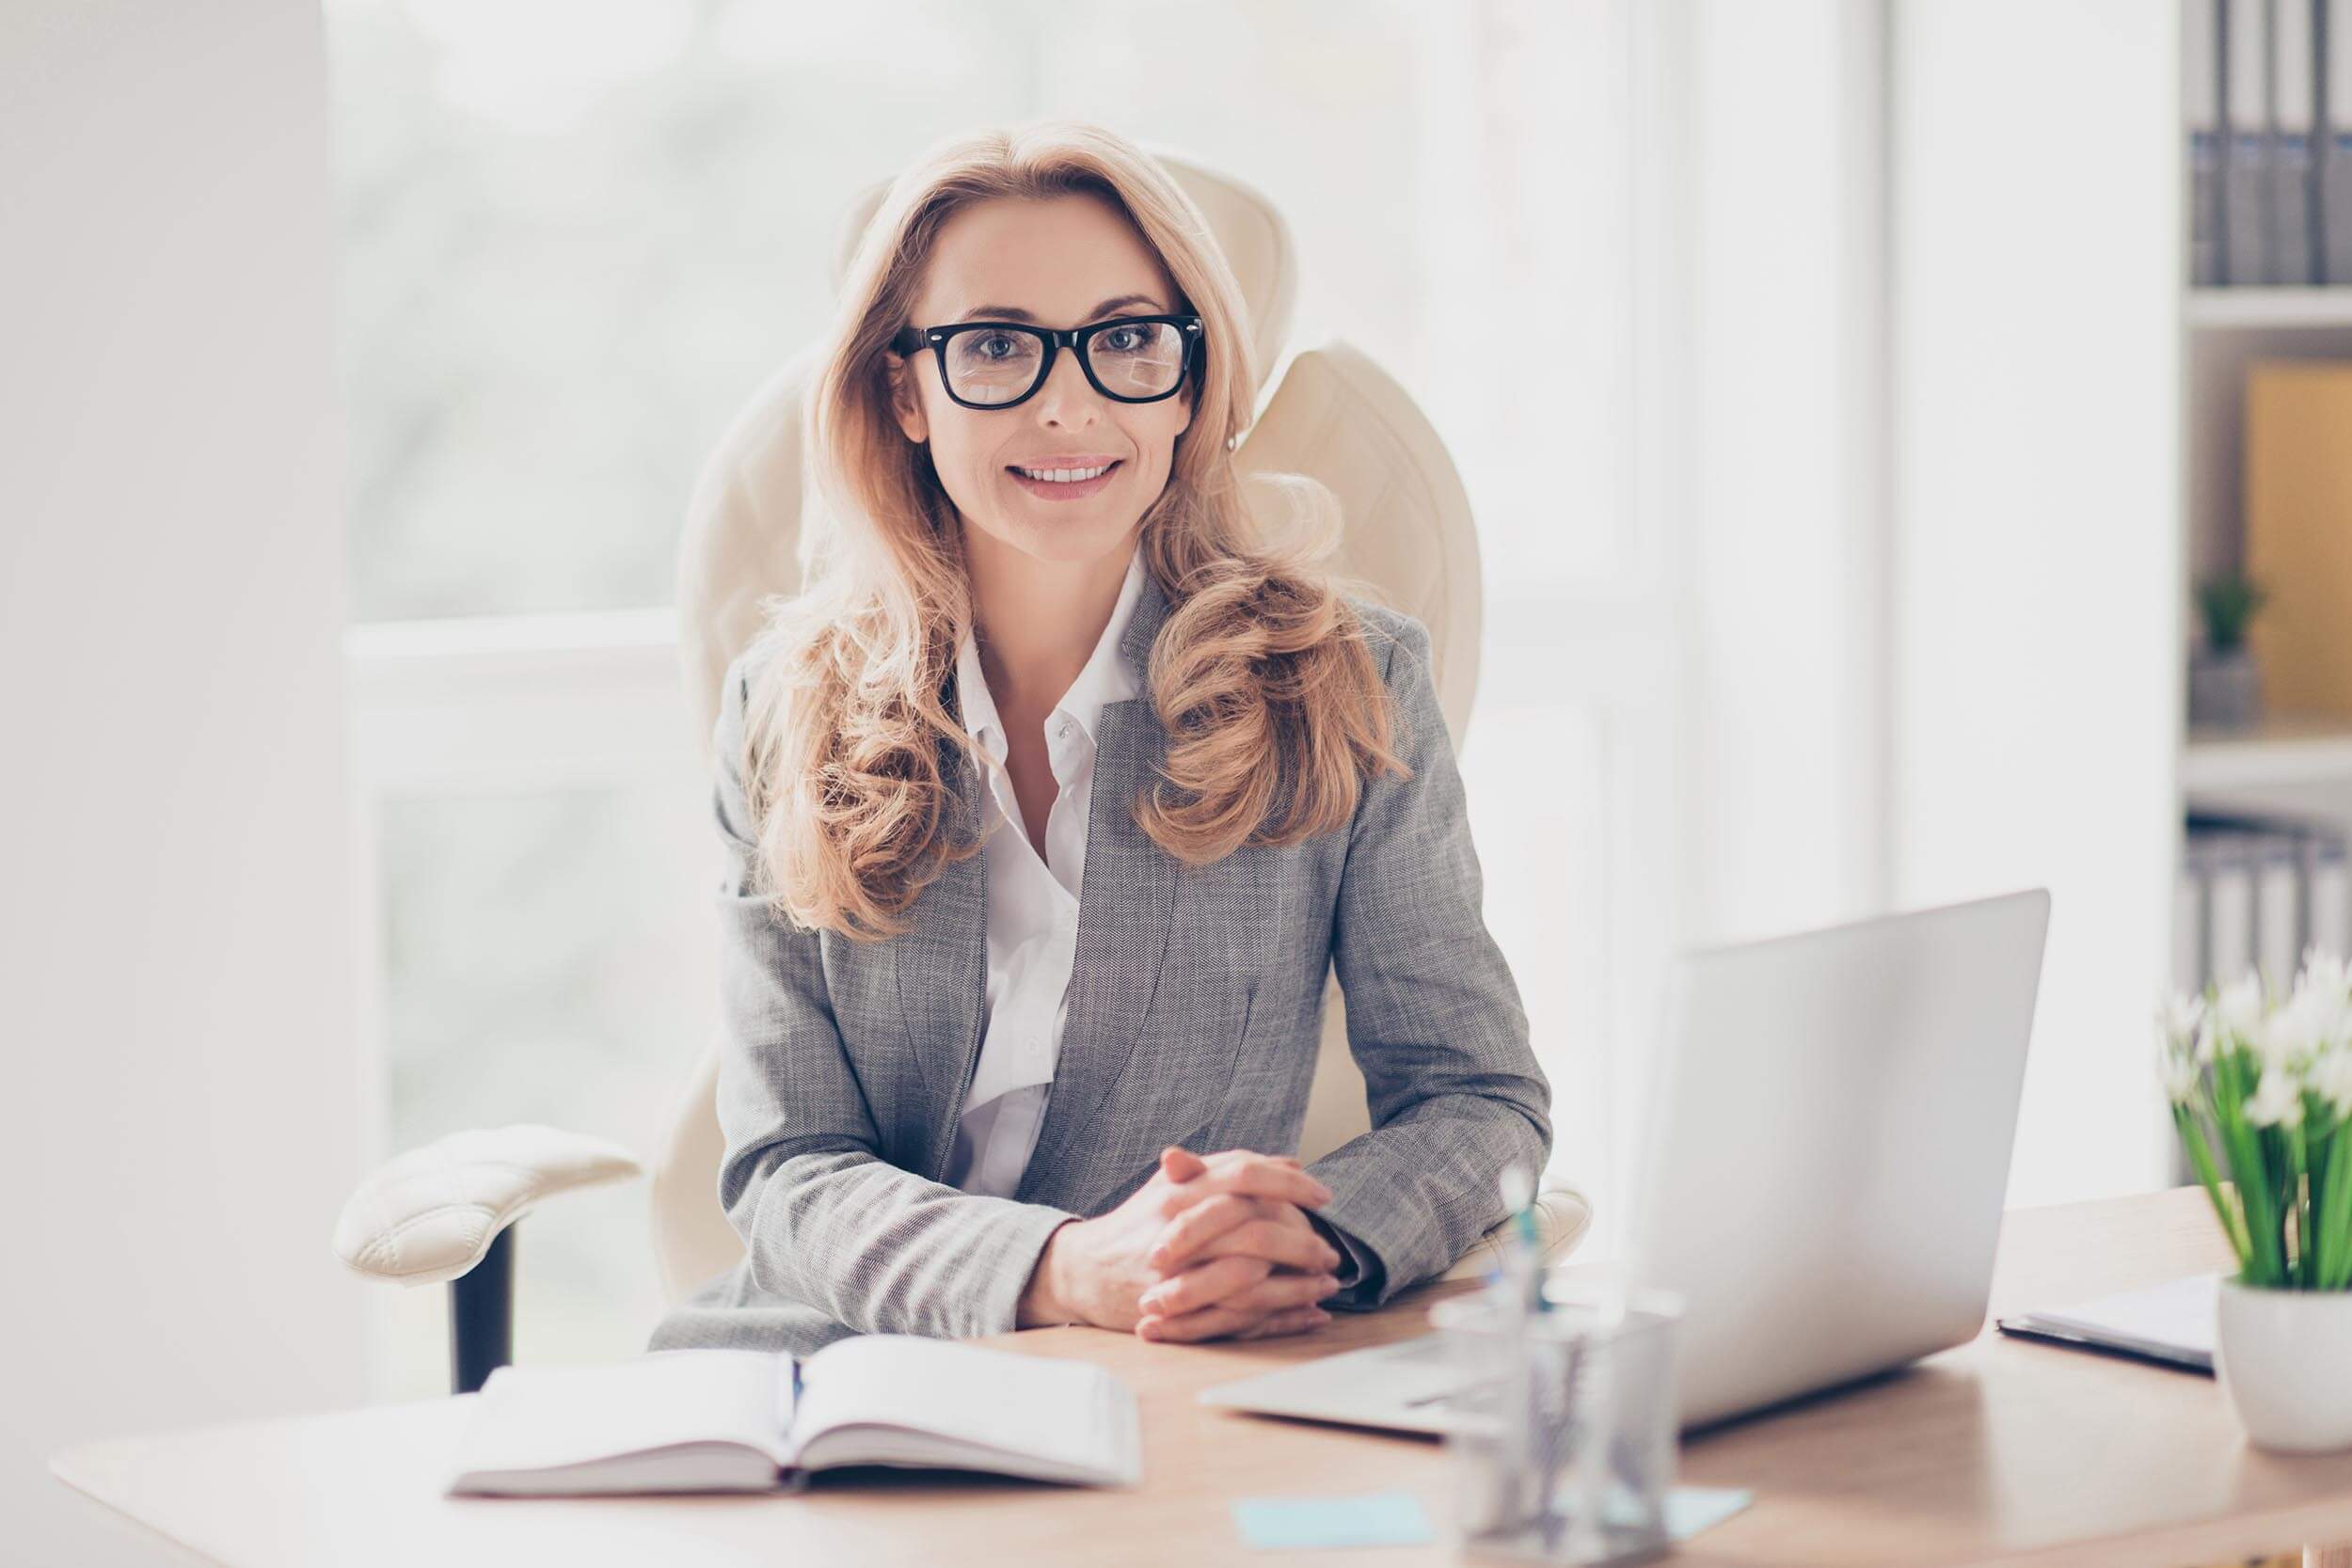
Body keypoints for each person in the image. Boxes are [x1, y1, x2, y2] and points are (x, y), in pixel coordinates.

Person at [648, 119, 1549, 1358]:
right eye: (998, 345)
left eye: (1127, 340)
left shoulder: (1345, 680)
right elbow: (788, 1166)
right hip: (839, 1373)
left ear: (1188, 381)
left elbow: (1478, 1099)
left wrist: (1311, 1248)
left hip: (1187, 1371)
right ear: (906, 389)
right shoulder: (781, 706)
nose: (1069, 404)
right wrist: (1065, 1268)